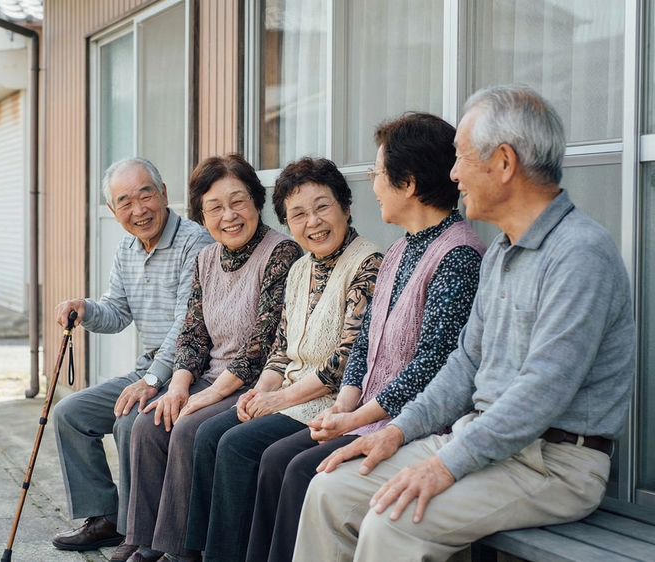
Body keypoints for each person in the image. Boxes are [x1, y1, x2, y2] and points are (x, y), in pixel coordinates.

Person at [292, 85, 635, 562]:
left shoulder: (580, 255)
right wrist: (398, 430)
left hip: (553, 464)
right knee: (330, 490)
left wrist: (445, 465)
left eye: (461, 158)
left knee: (394, 521)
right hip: (481, 441)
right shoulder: (501, 253)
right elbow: (463, 365)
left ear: (503, 163)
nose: (452, 175)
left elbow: (539, 392)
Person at [246, 112, 485, 562]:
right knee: (280, 461)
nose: (373, 184)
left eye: (377, 173)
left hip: (415, 427)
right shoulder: (400, 247)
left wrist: (355, 418)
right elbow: (363, 344)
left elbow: (431, 368)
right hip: (367, 414)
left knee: (298, 470)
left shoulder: (457, 257)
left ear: (408, 182)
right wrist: (344, 402)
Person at [185, 157, 384, 562]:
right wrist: (258, 393)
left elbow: (345, 361)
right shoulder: (300, 268)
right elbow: (280, 349)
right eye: (298, 214)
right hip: (290, 396)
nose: (313, 222)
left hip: (328, 401)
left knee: (239, 447)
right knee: (209, 433)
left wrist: (277, 401)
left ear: (346, 206)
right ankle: (209, 553)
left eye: (322, 207)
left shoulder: (368, 264)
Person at [124, 154, 302, 562]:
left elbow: (264, 342)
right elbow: (193, 332)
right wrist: (180, 386)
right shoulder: (206, 258)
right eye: (215, 207)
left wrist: (203, 398)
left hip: (253, 381)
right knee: (150, 422)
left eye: (238, 201)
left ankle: (182, 551)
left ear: (256, 200)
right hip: (209, 377)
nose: (229, 216)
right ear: (202, 216)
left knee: (187, 428)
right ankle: (148, 541)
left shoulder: (282, 253)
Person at [50, 157, 213, 561]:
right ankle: (105, 518)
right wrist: (85, 308)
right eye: (125, 201)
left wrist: (154, 380)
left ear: (164, 194)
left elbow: (187, 323)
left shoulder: (196, 242)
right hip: (149, 368)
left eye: (145, 194)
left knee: (129, 420)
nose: (138, 209)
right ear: (113, 211)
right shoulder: (127, 247)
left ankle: (138, 531)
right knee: (71, 414)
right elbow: (117, 311)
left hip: (192, 369)